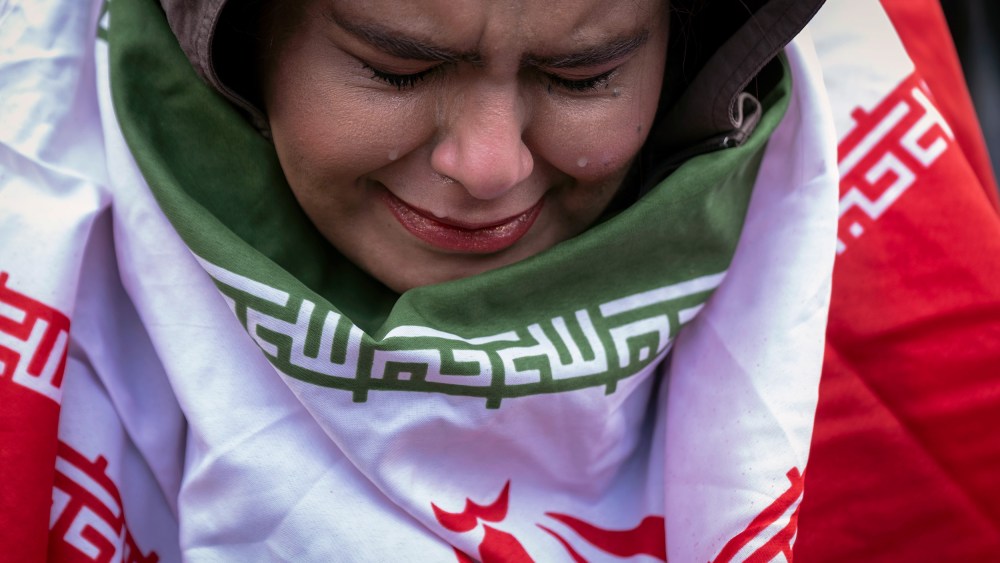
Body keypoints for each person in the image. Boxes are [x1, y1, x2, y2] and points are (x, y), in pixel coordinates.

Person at [1, 0, 998, 561]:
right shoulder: (35, 167)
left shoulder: (861, 183)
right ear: (237, 32)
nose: (488, 166)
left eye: (581, 76)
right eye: (395, 69)